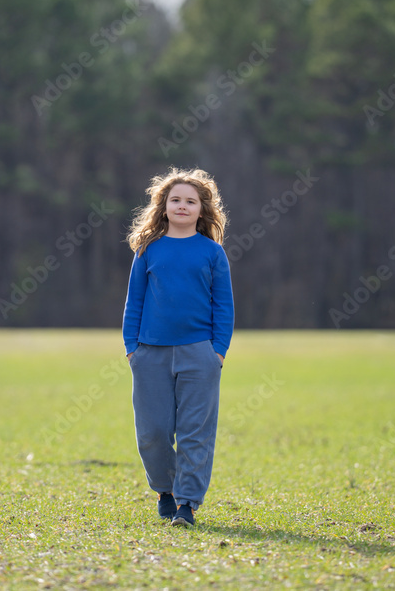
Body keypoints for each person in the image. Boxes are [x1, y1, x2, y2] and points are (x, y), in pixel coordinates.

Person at [122, 167, 234, 527]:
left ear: (202, 209)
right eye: (175, 200)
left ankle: (187, 504)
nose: (182, 206)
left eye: (190, 201)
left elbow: (224, 306)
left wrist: (217, 350)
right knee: (152, 433)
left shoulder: (212, 253)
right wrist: (131, 348)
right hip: (149, 353)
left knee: (194, 432)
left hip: (199, 354)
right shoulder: (148, 249)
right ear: (163, 206)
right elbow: (134, 303)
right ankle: (164, 491)